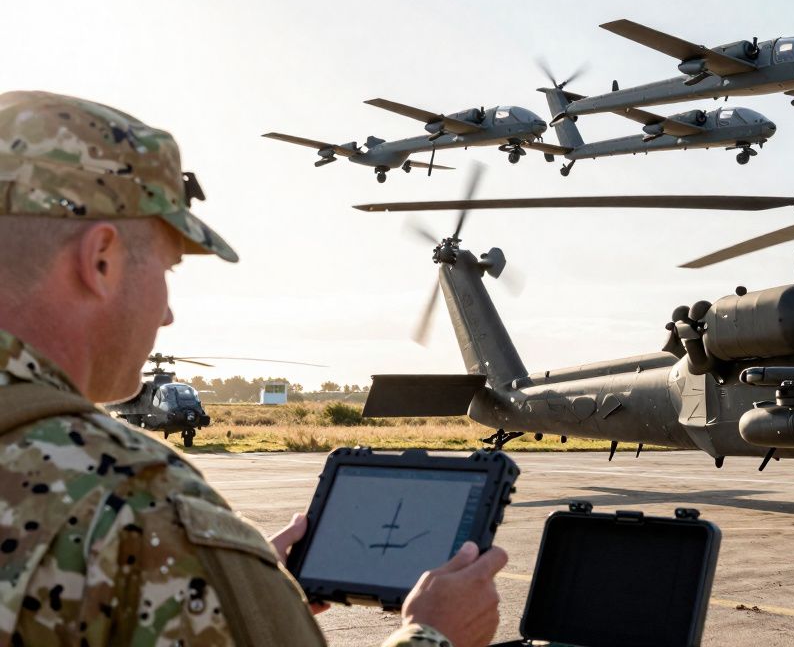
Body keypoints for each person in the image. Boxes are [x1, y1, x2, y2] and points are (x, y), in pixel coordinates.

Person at [0, 91, 507, 647]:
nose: (167, 315)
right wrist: (434, 634)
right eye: (167, 268)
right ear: (100, 260)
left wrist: (240, 594)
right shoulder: (135, 503)